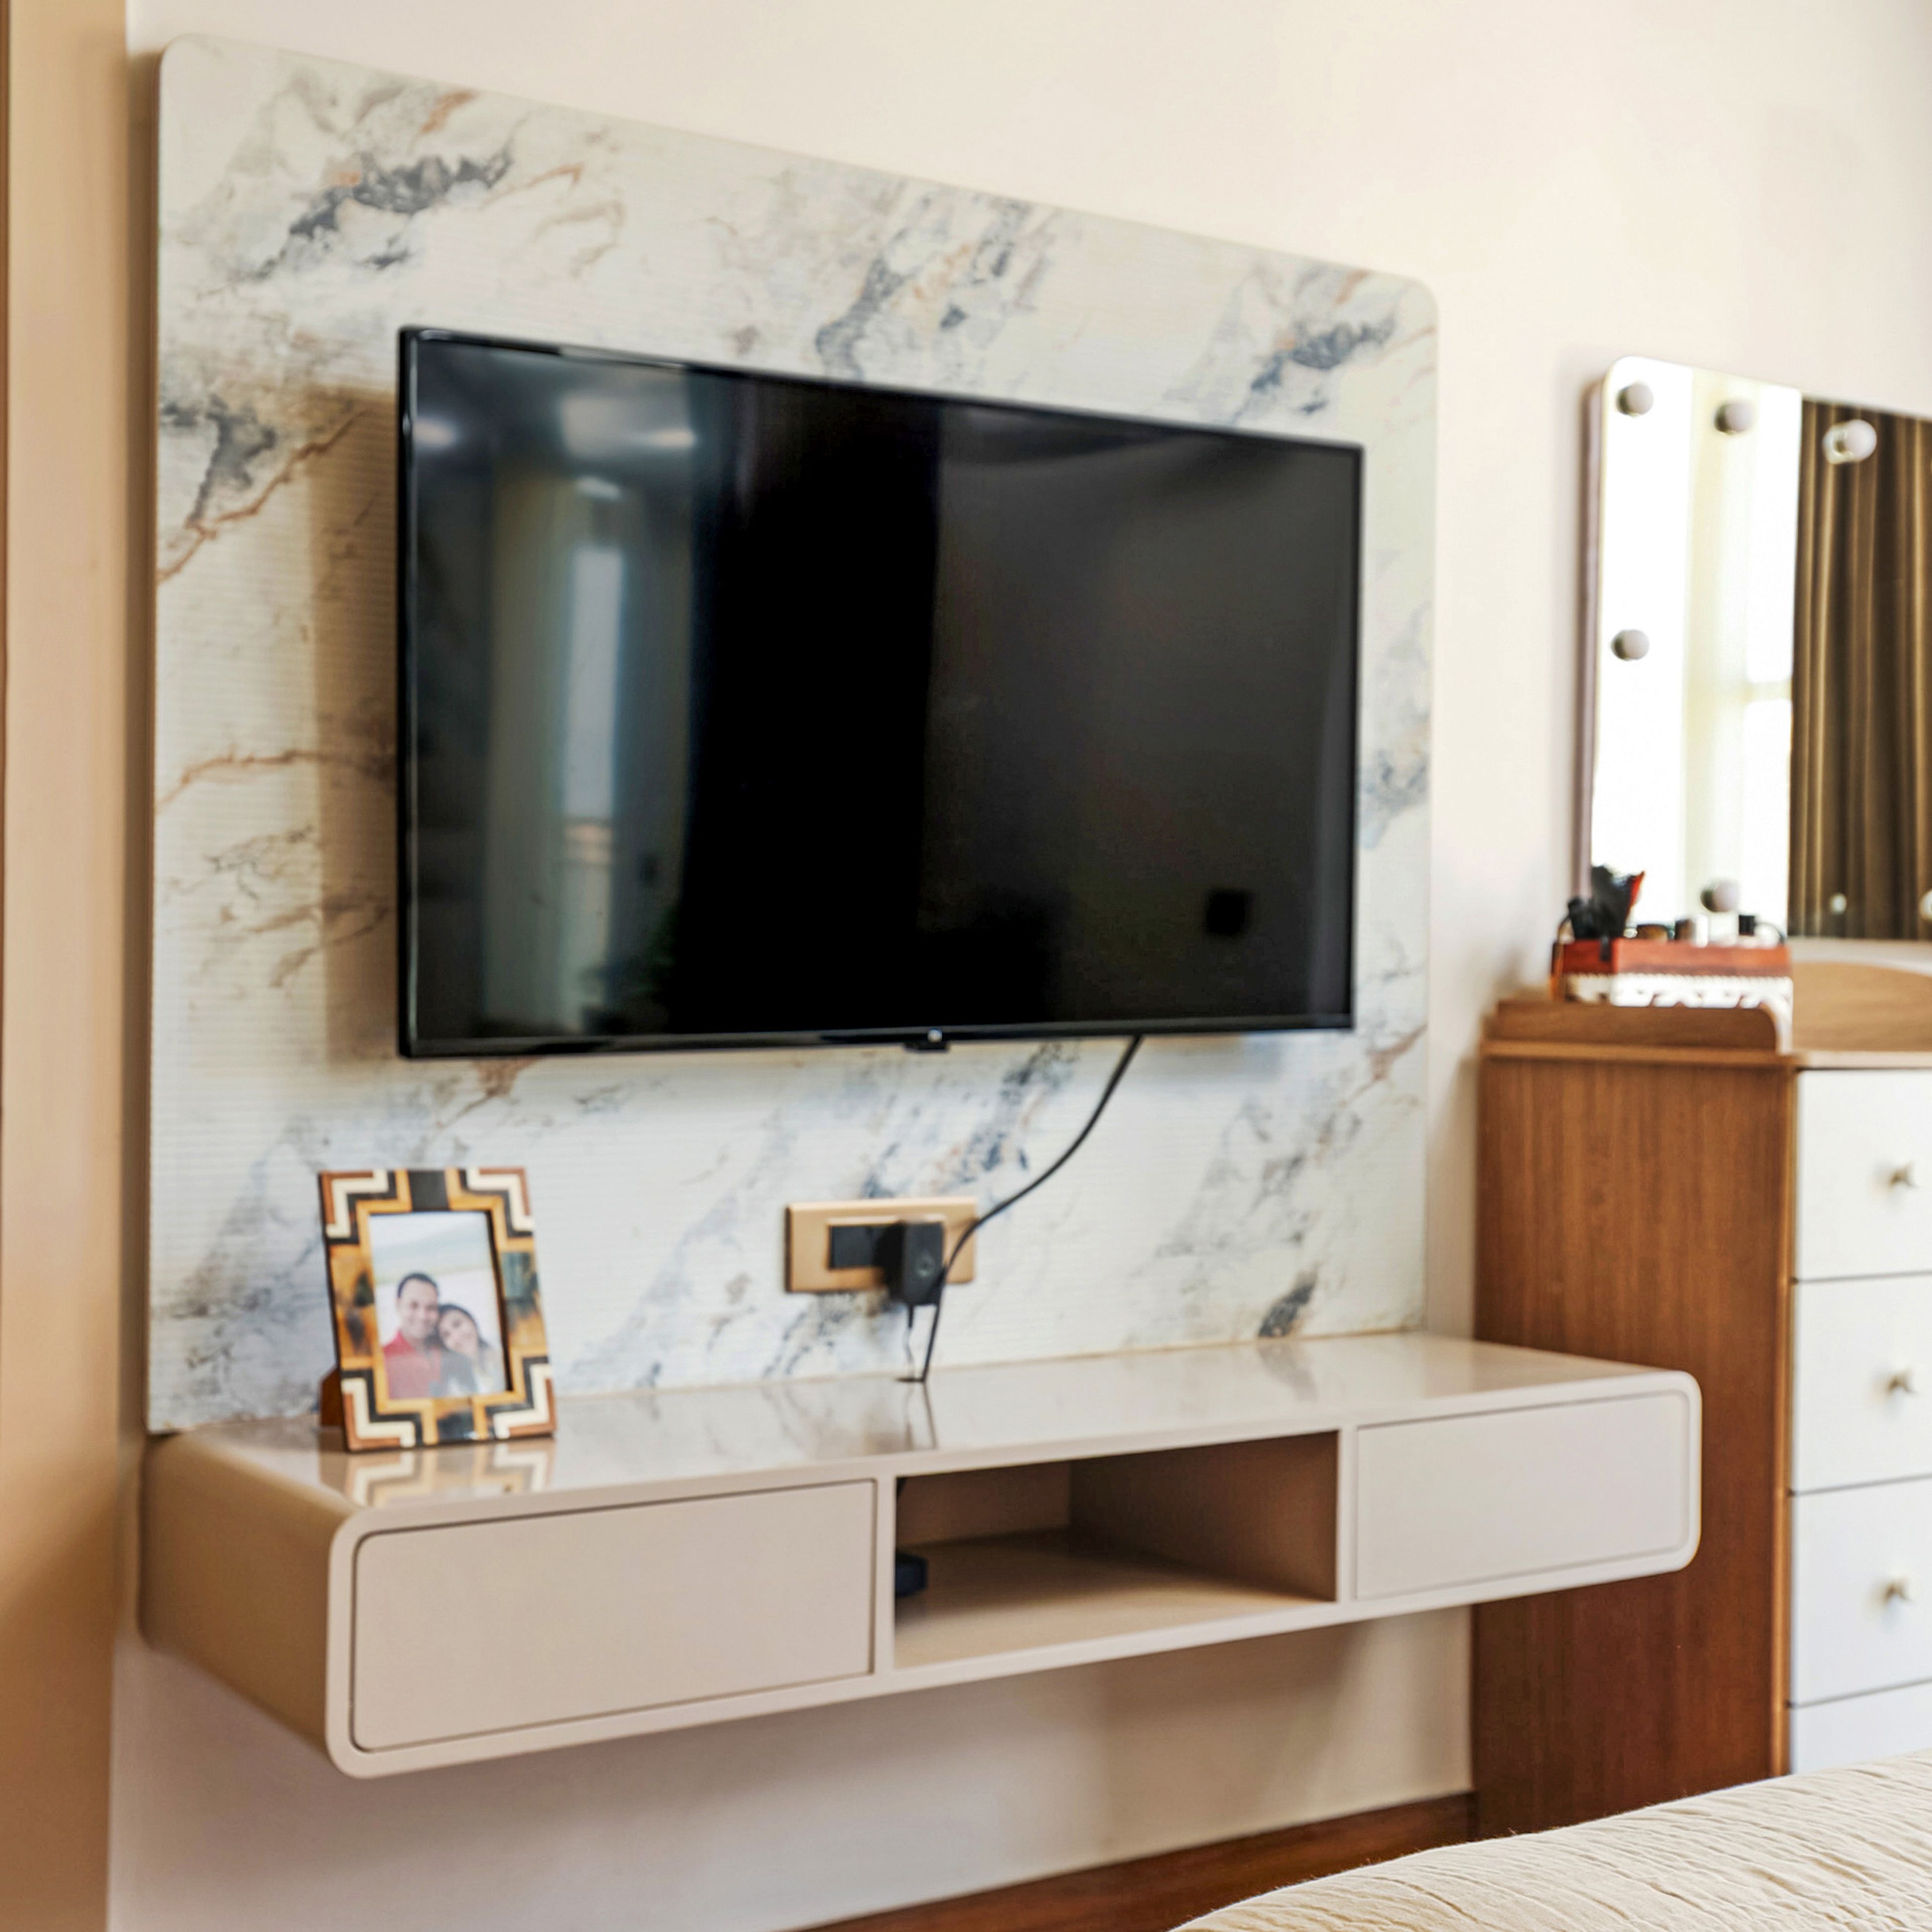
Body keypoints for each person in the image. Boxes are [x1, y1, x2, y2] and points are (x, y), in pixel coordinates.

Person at [381, 1271, 444, 1399]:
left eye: (431, 1308)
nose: (423, 1316)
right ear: (398, 1306)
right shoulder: (382, 1359)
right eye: (413, 1306)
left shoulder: (448, 1349)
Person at [436, 1301, 504, 1397]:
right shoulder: (455, 1384)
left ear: (472, 1321)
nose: (457, 1337)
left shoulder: (503, 1349)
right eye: (446, 1335)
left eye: (457, 1324)